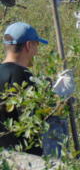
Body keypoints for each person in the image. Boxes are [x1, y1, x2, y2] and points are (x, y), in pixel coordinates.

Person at [0, 22, 48, 155]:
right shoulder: (24, 76)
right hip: (20, 158)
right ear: (28, 45)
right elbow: (35, 120)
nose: (36, 52)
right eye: (36, 45)